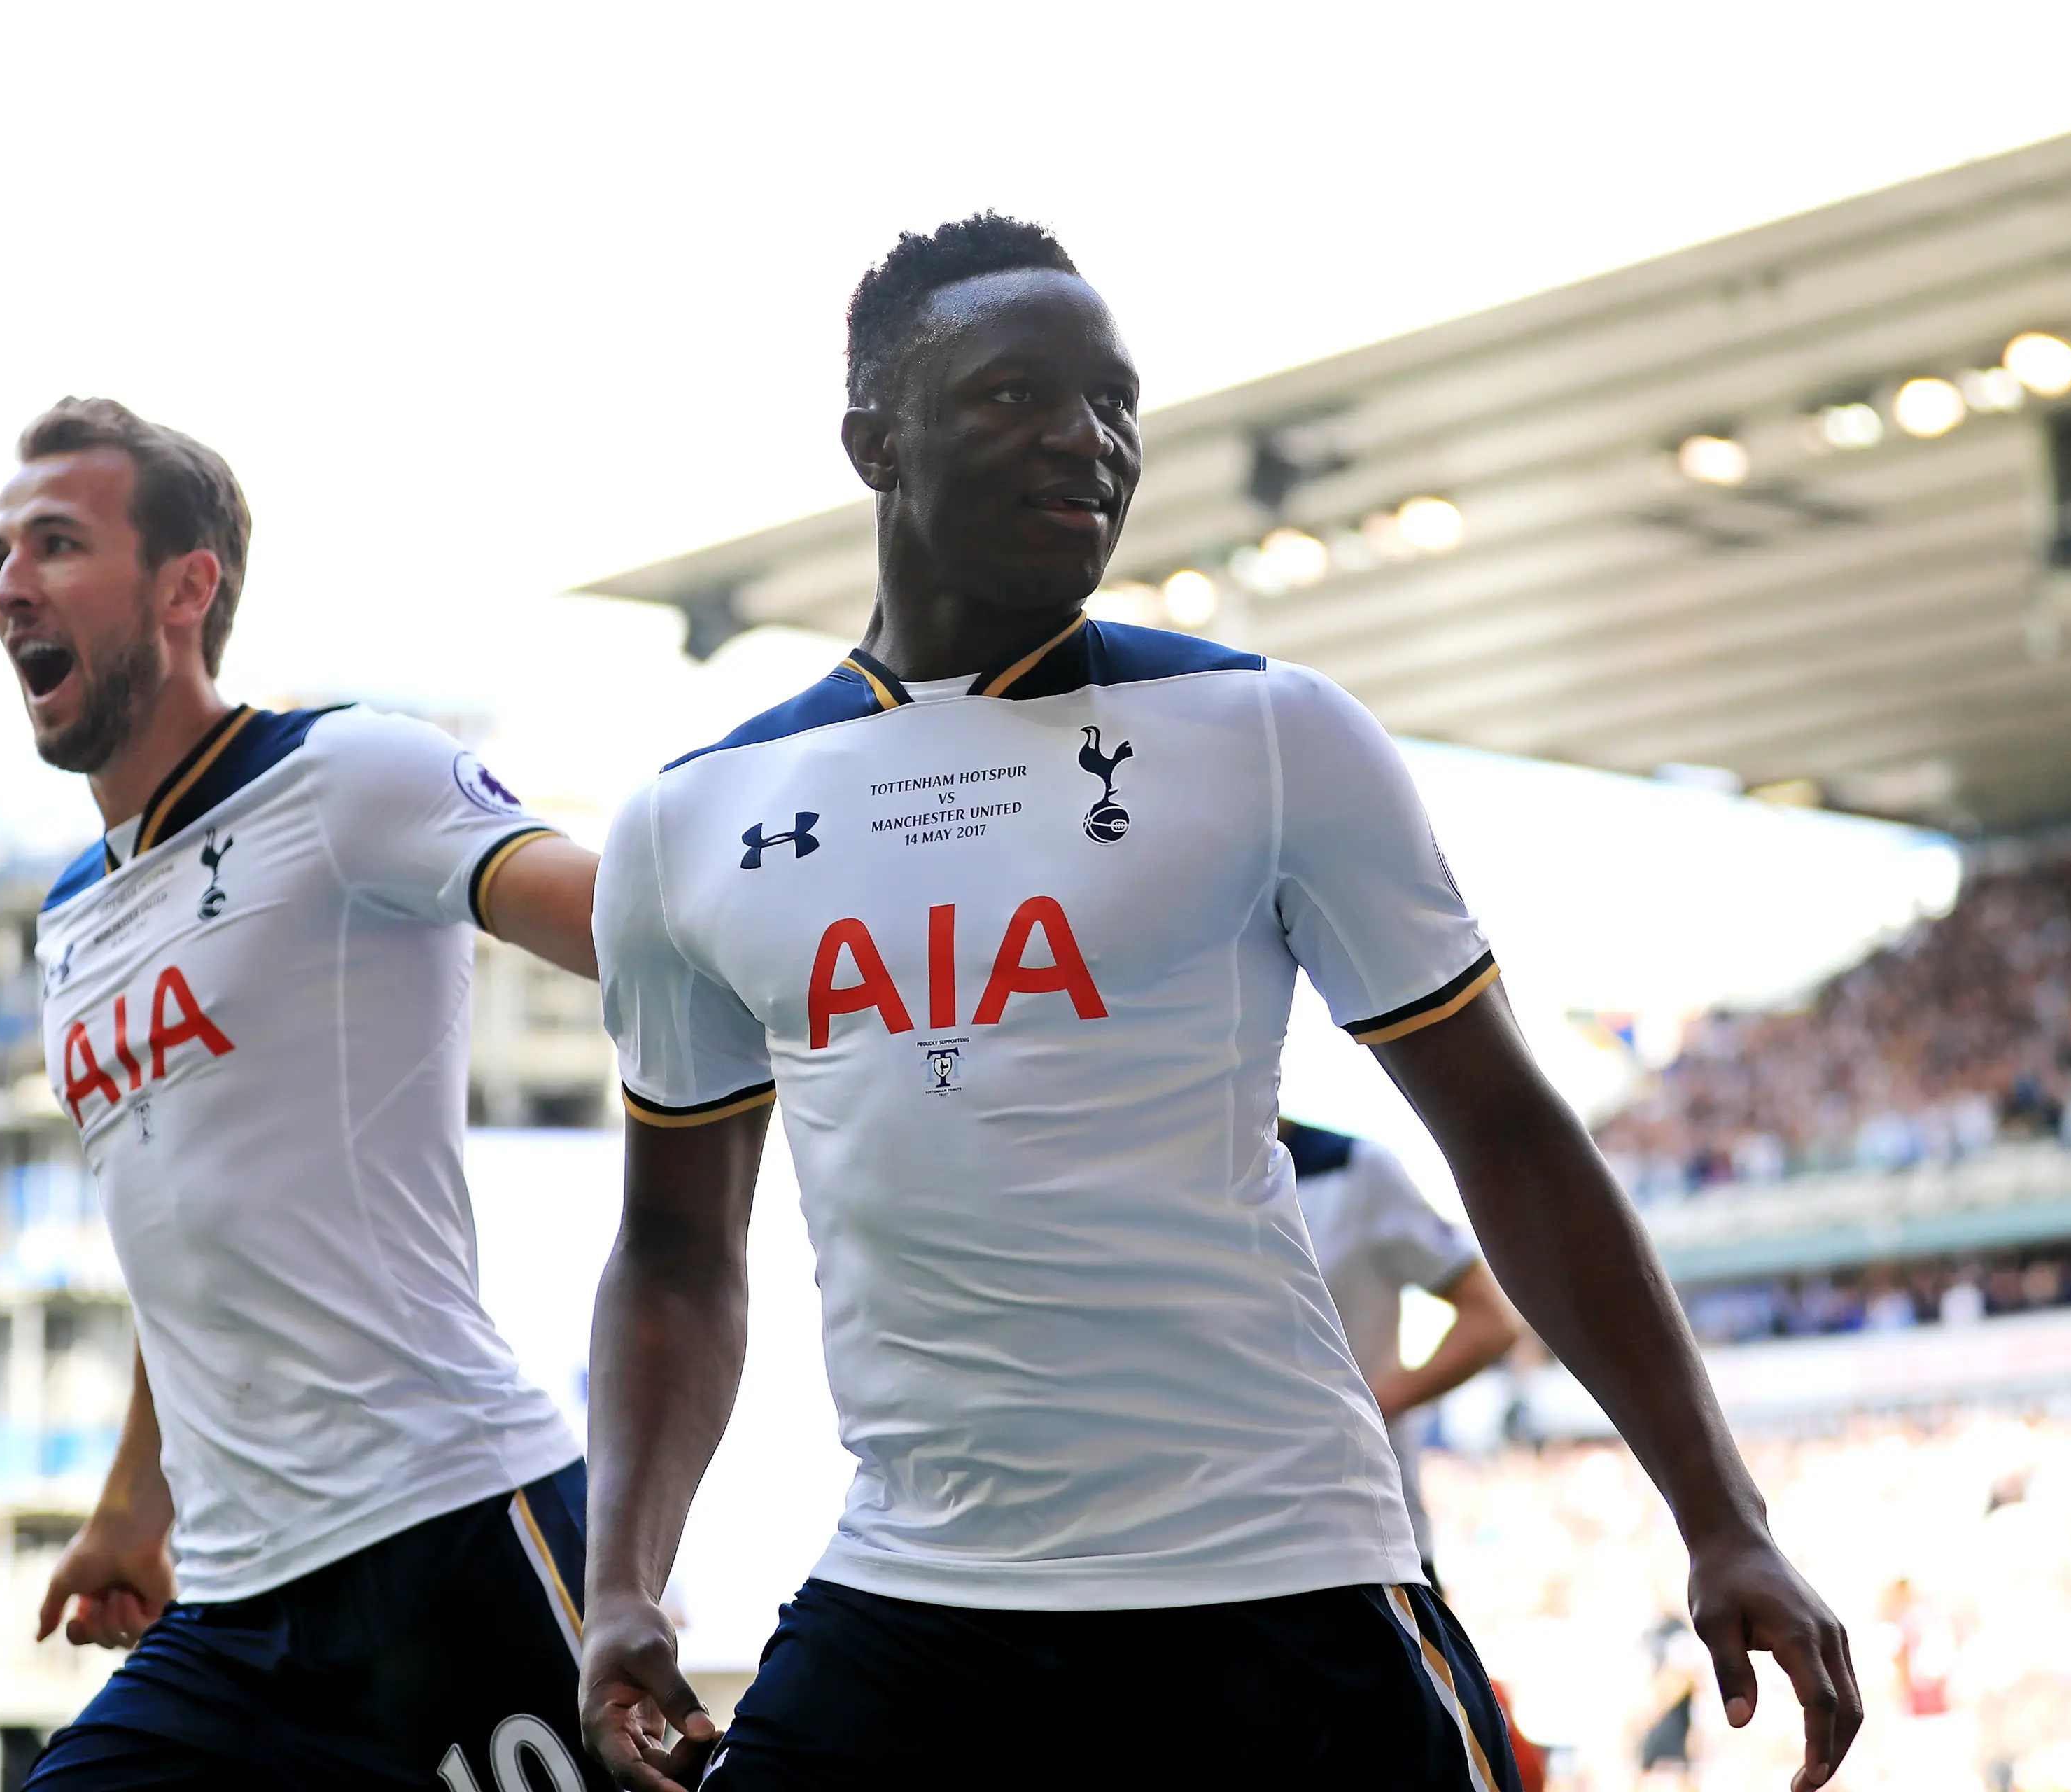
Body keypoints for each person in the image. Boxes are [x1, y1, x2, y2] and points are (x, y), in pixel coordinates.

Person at [580, 217, 1862, 1791]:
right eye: (1012, 395)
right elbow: (675, 1252)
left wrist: (1721, 1514)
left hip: (1277, 1589)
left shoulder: (1267, 734)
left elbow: (1512, 1134)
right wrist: (624, 1574)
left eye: (1115, 401)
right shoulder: (692, 819)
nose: (1086, 438)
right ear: (874, 442)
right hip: (917, 1606)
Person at [0, 398, 607, 1790]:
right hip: (230, 1610)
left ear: (185, 586)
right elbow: (191, 1221)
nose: (11, 586)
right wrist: (131, 1508)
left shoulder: (345, 774)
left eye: (57, 544)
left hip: (446, 1539)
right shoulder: (70, 917)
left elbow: (624, 920)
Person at [1279, 1119, 1523, 1587]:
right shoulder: (1164, 1181)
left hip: (1362, 1531)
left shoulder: (1356, 1170)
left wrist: (1360, 1410)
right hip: (1217, 1542)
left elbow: (1489, 1320)